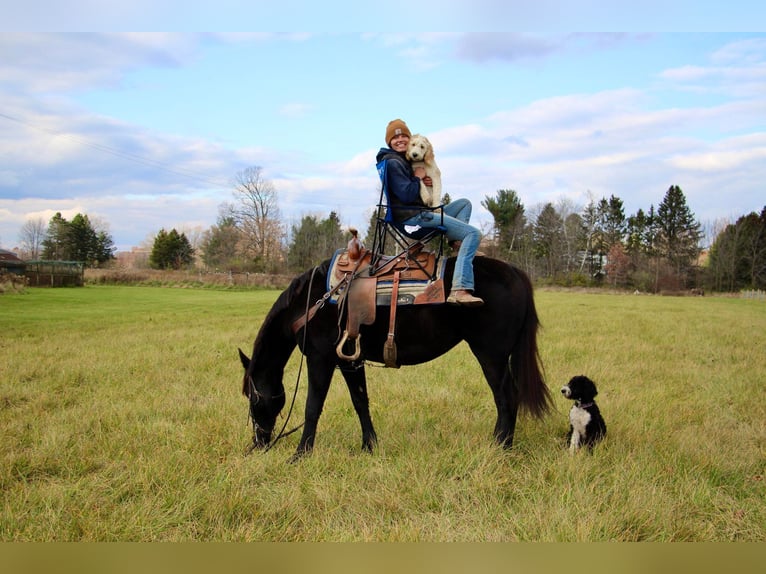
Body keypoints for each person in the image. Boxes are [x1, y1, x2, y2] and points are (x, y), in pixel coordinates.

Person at [375, 118, 484, 307]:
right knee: (473, 233)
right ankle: (460, 288)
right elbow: (407, 195)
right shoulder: (393, 163)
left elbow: (413, 188)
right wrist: (417, 179)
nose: (400, 140)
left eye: (404, 136)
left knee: (464, 204)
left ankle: (457, 243)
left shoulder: (403, 160)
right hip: (413, 218)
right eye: (395, 137)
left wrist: (424, 181)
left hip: (421, 212)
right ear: (388, 141)